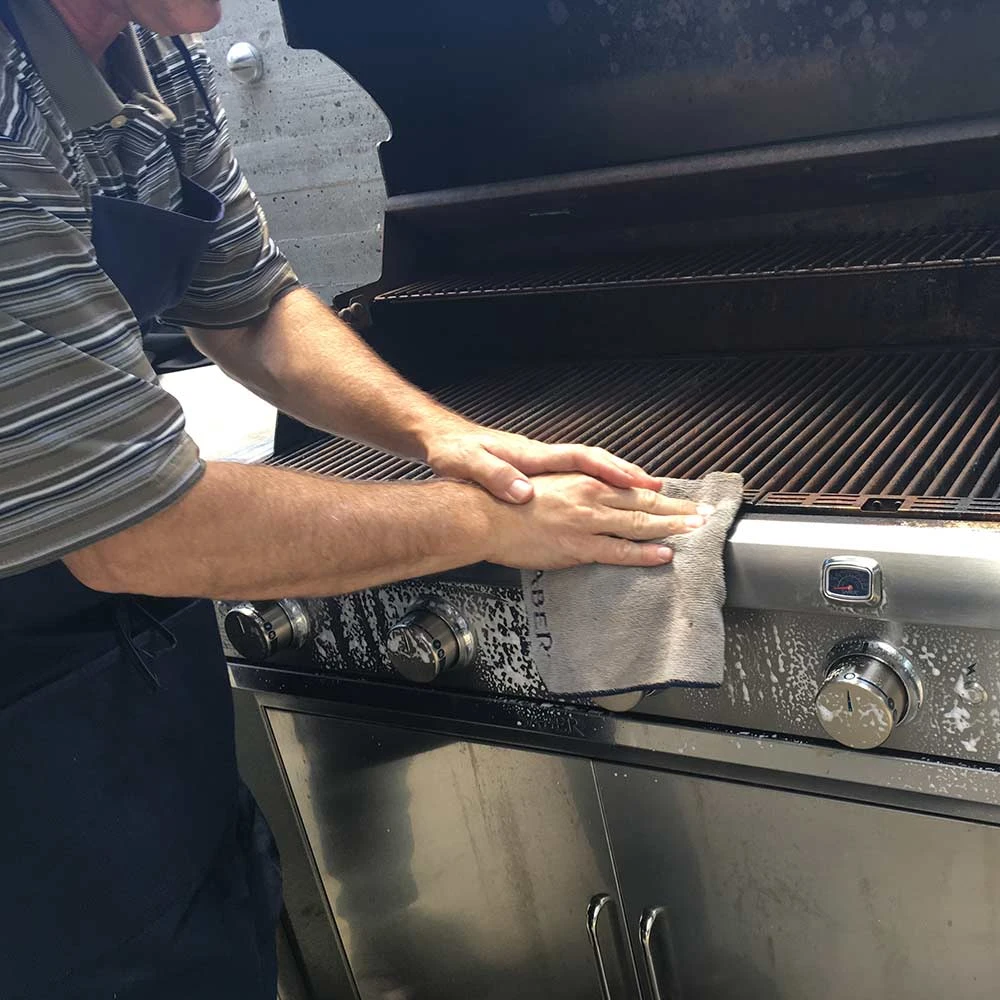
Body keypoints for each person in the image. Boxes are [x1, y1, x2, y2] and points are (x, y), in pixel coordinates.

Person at [0, 1, 710, 997]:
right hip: (27, 725)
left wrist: (438, 434)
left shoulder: (154, 44)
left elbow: (250, 304)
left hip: (134, 680)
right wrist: (488, 520)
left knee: (209, 915)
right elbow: (137, 528)